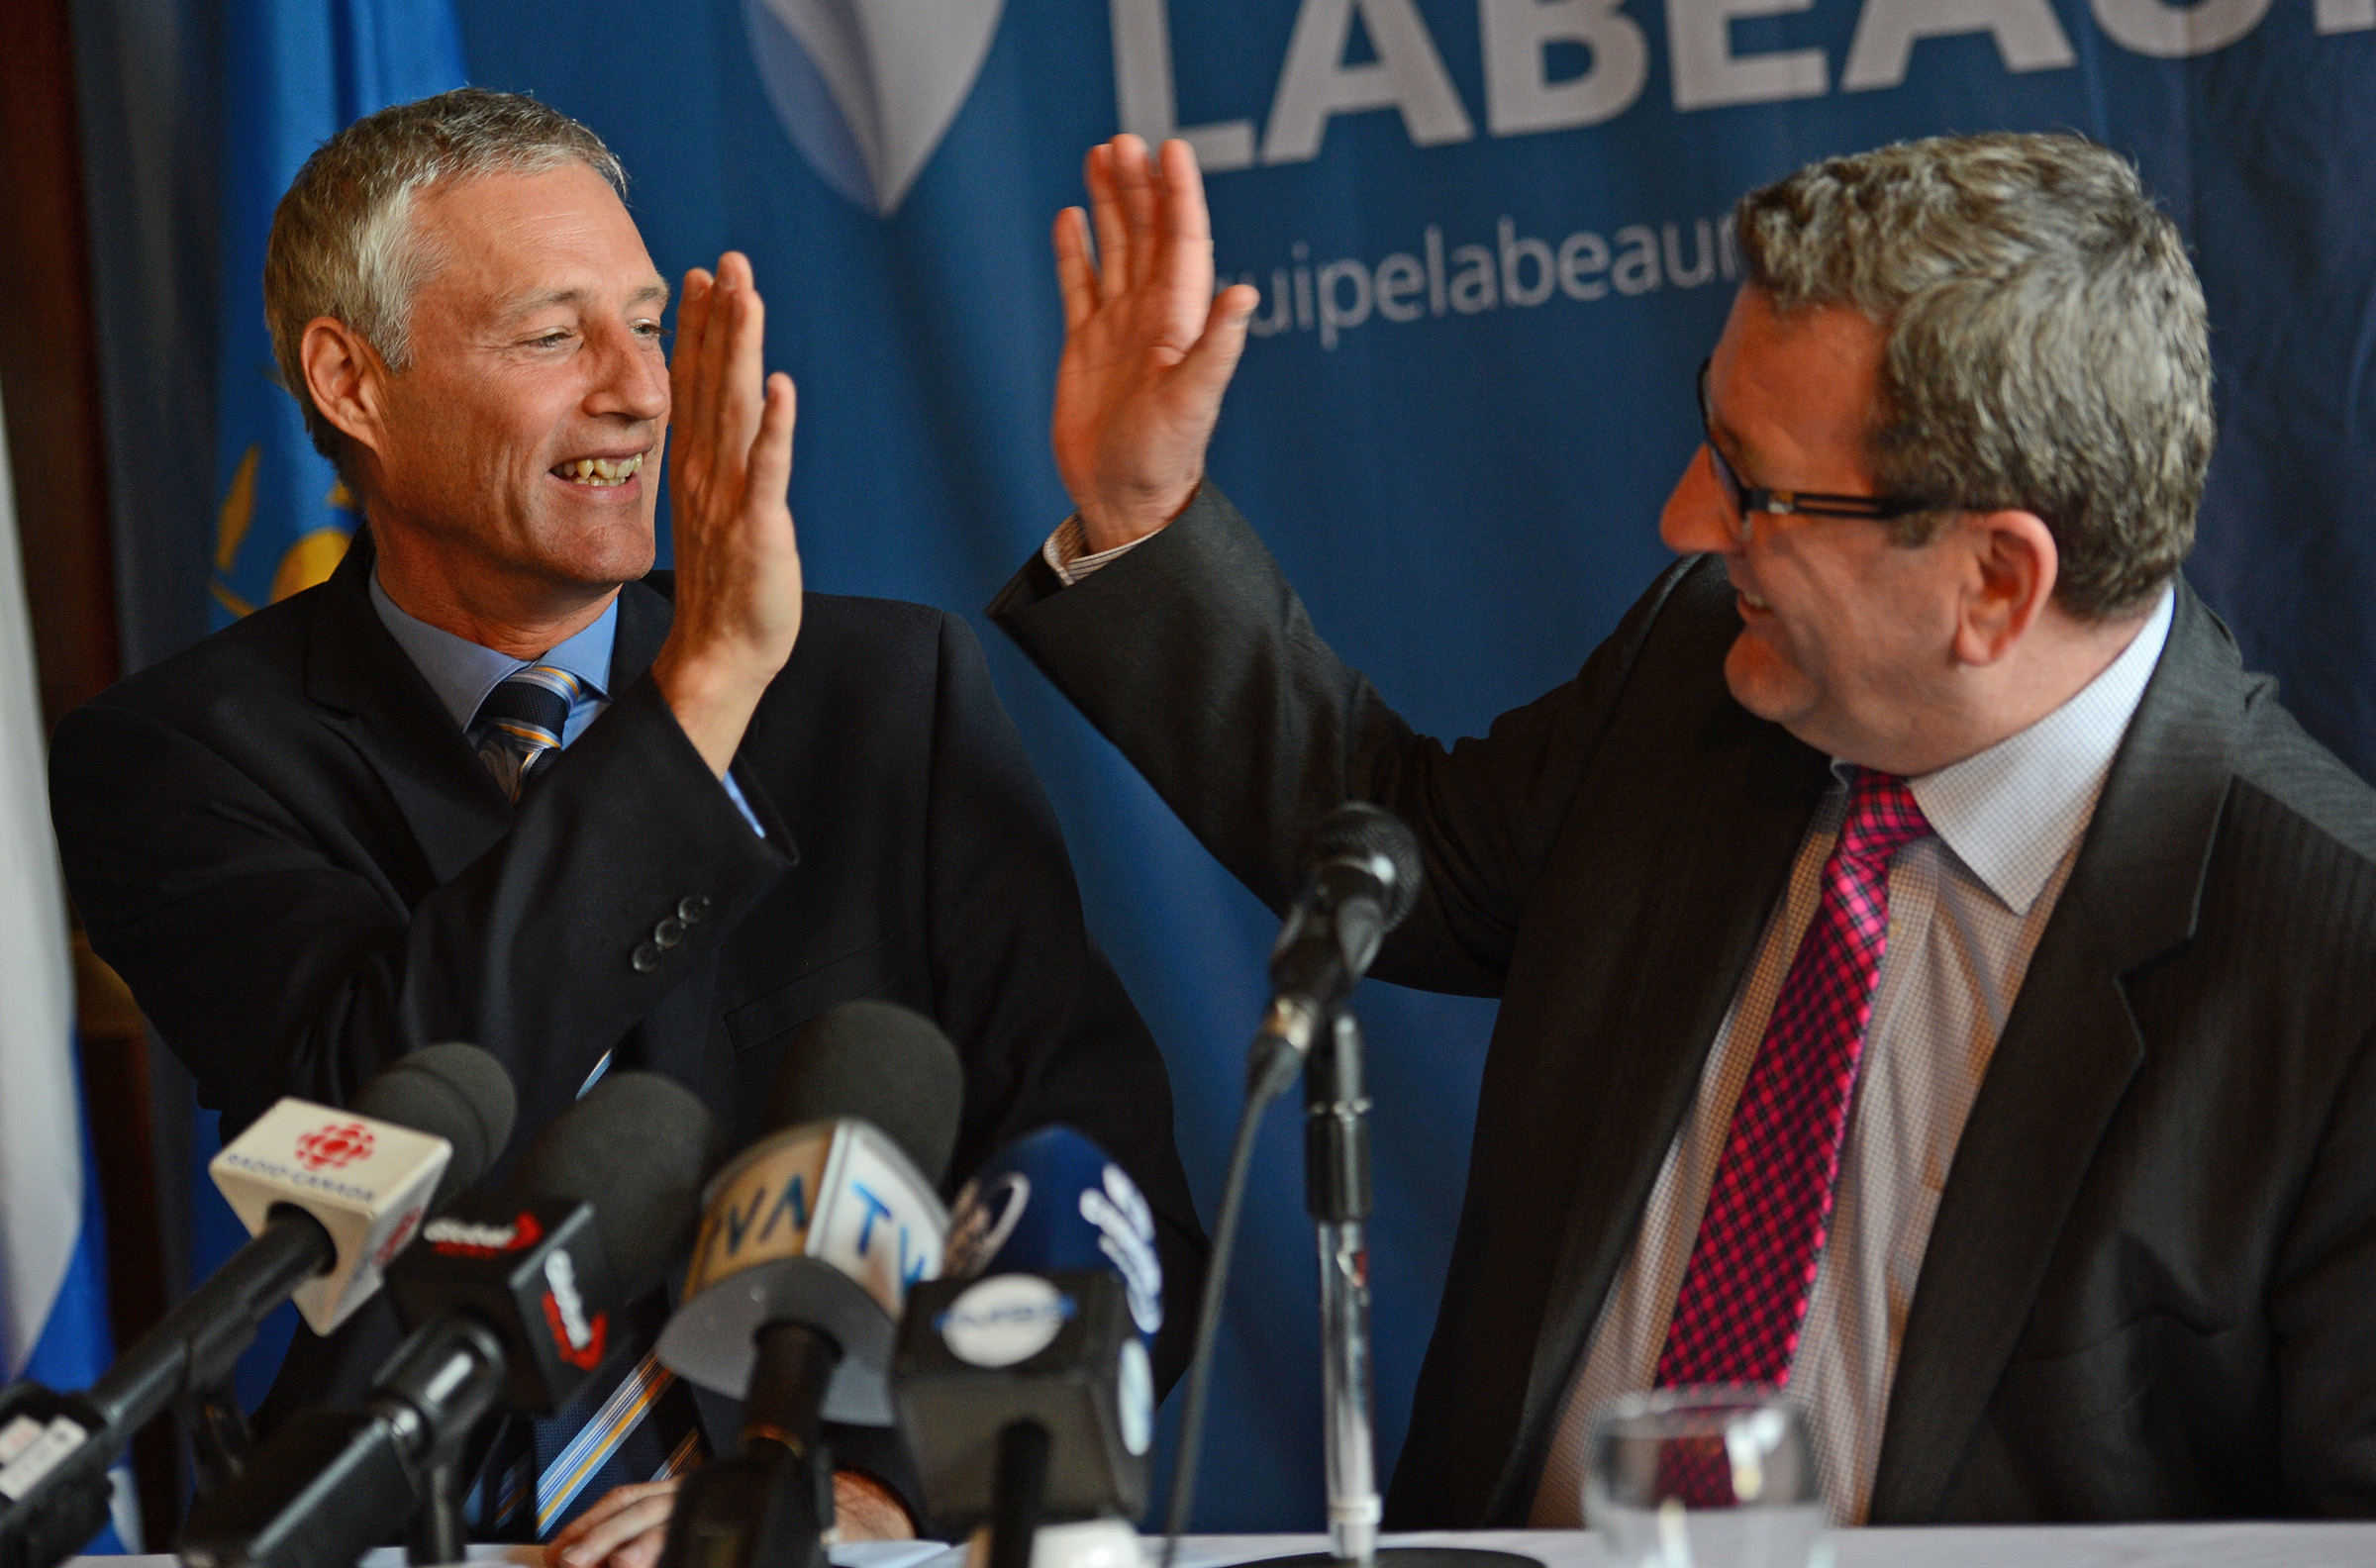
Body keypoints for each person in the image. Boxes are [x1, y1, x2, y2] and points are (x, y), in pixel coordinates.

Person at [988, 131, 2376, 1526]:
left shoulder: (2332, 966)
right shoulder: (1707, 674)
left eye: (1754, 487)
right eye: (1710, 433)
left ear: (1996, 583)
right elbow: (1400, 855)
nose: (1683, 519)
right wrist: (1139, 508)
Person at [49, 89, 1206, 1566]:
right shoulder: (178, 757)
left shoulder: (882, 695)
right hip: (428, 1525)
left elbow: (1107, 1193)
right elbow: (382, 1105)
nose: (642, 391)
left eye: (649, 326)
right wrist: (700, 695)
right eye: (553, 336)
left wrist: (871, 1496)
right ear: (352, 383)